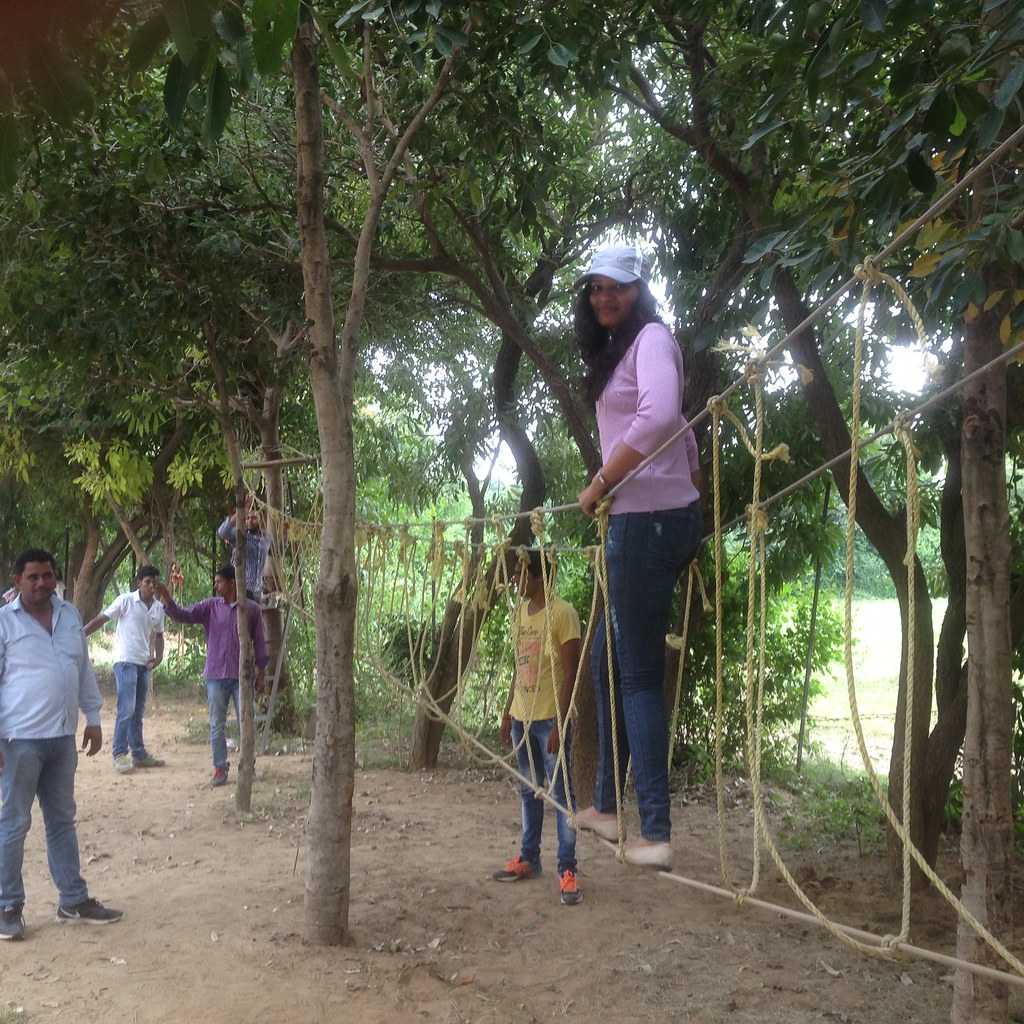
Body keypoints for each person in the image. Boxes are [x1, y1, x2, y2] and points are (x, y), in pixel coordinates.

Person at [573, 244, 702, 873]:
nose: (604, 297)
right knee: (604, 661)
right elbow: (687, 435)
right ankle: (604, 804)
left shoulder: (652, 336)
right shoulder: (628, 346)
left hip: (645, 524)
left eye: (616, 287)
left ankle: (655, 831)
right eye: (596, 287)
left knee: (639, 677)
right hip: (659, 518)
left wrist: (601, 483)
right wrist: (689, 490)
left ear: (639, 289)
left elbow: (661, 415)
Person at [0, 548, 123, 940]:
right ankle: (8, 906)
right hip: (18, 741)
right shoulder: (5, 622)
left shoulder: (69, 615)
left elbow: (82, 668)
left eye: (47, 576)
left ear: (56, 578)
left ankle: (73, 900)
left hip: (62, 740)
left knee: (62, 821)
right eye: (32, 577)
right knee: (13, 824)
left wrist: (94, 718)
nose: (41, 583)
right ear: (17, 581)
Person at [493, 550, 583, 906]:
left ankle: (568, 869)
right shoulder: (520, 616)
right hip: (522, 718)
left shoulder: (563, 614)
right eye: (514, 573)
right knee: (529, 791)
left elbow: (572, 673)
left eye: (520, 572)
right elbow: (520, 666)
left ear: (538, 576)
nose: (515, 578)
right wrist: (506, 713)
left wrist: (561, 723)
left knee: (562, 798)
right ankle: (530, 858)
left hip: (550, 720)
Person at [154, 565, 268, 788]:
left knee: (247, 721)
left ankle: (248, 765)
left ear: (232, 583)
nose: (216, 586)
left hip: (243, 676)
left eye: (219, 582)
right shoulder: (210, 606)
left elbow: (260, 643)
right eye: (216, 582)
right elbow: (183, 616)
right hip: (216, 674)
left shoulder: (251, 609)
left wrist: (261, 674)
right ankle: (219, 768)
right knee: (217, 724)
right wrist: (167, 599)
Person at [84, 565, 166, 774]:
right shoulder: (126, 601)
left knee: (138, 711)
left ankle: (138, 754)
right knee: (126, 709)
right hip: (125, 661)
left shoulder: (158, 608)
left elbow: (159, 636)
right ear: (139, 583)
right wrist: (80, 634)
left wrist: (158, 657)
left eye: (154, 582)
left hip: (143, 664)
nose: (151, 586)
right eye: (147, 581)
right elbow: (103, 619)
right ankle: (119, 754)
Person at [218, 503, 273, 600]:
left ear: (261, 519)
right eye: (247, 518)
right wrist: (240, 513)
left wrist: (285, 538)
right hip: (240, 589)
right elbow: (222, 532)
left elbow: (276, 551)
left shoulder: (266, 538)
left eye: (254, 518)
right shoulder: (240, 535)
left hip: (256, 591)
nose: (250, 521)